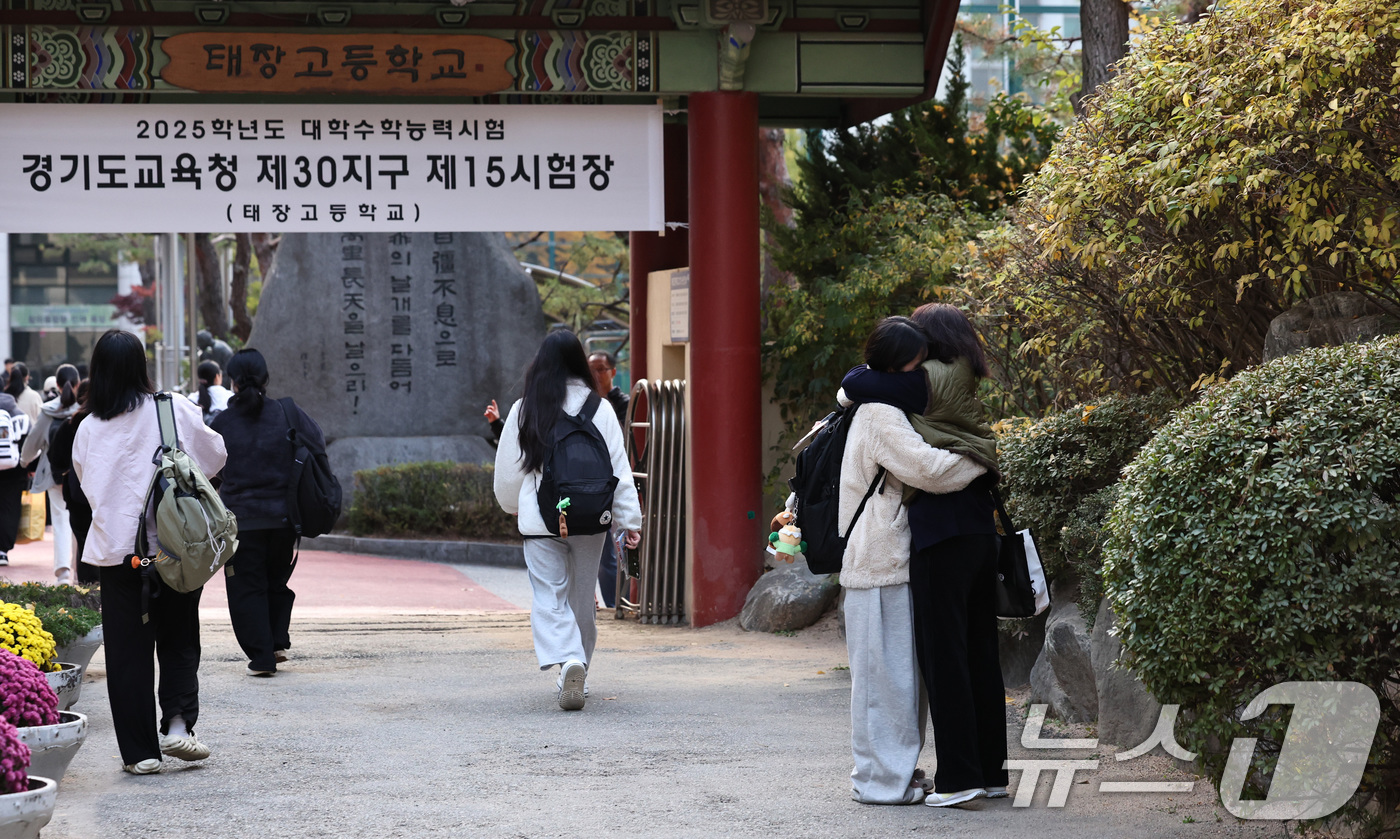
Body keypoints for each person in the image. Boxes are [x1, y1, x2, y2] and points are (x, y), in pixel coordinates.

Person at [840, 303, 1008, 807]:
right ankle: (988, 771)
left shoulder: (916, 389)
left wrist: (977, 462)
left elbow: (928, 468)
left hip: (935, 540)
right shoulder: (963, 381)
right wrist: (985, 458)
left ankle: (952, 778)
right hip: (974, 532)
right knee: (977, 655)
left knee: (937, 664)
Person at [72, 329, 227, 775]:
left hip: (121, 558)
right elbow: (216, 456)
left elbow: (86, 485)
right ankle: (178, 726)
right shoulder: (171, 407)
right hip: (171, 550)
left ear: (97, 372)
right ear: (141, 366)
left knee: (126, 651)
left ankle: (140, 753)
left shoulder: (87, 428)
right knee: (179, 635)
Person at [493, 330, 642, 711]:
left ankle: (568, 659)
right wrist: (628, 522)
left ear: (541, 363)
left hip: (543, 520)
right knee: (582, 598)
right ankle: (579, 669)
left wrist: (514, 505)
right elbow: (619, 470)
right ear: (579, 361)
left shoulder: (526, 407)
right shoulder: (601, 408)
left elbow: (509, 475)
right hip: (592, 518)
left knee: (549, 595)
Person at [210, 349, 326, 677]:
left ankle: (262, 656)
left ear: (232, 381)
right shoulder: (287, 413)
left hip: (241, 522)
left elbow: (207, 466)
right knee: (276, 580)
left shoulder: (222, 422)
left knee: (247, 587)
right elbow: (316, 442)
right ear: (265, 378)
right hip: (284, 519)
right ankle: (276, 642)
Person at [21, 363, 82, 584]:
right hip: (81, 474)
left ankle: (63, 573)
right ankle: (81, 573)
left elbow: (32, 443)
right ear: (77, 383)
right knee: (82, 521)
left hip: (55, 473)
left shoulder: (48, 411)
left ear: (56, 385)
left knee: (60, 519)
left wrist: (24, 460)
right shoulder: (84, 409)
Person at [587, 351, 629, 609]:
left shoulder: (623, 403)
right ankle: (606, 602)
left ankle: (616, 604)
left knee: (612, 552)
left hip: (615, 484)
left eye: (600, 369)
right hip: (593, 484)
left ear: (613, 372)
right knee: (601, 552)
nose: (595, 375)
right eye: (591, 369)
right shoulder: (586, 404)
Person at [46, 379, 98, 584]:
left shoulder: (73, 422)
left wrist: (66, 475)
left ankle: (88, 591)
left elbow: (55, 456)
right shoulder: (111, 420)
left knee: (84, 542)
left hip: (78, 494)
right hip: (105, 494)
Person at [0, 389, 29, 568]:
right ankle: (2, 551)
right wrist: (29, 467)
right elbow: (29, 441)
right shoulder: (18, 413)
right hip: (14, 470)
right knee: (10, 509)